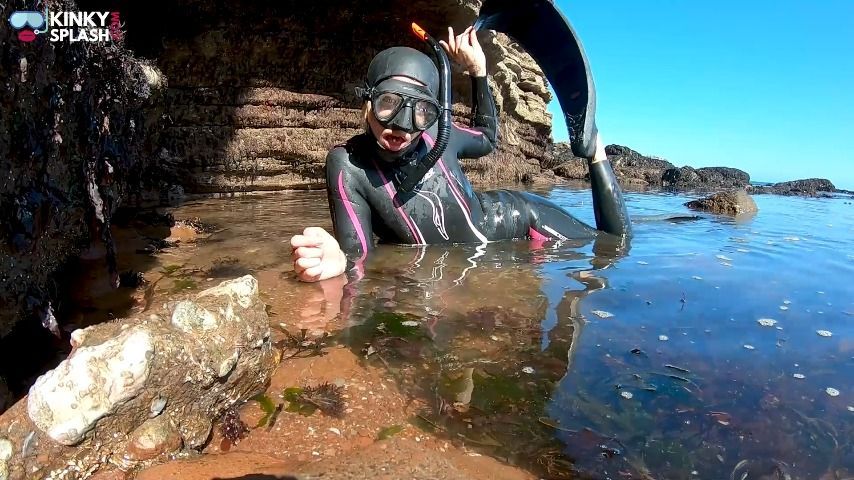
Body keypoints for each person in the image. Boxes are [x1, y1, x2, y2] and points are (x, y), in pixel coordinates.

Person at [291, 26, 631, 283]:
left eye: (420, 113)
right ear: (368, 103)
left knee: (615, 246)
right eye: (388, 105)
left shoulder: (441, 134)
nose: (402, 127)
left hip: (522, 218)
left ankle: (595, 150)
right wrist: (339, 261)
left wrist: (479, 73)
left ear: (433, 113)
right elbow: (358, 254)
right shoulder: (349, 164)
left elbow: (486, 138)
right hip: (487, 256)